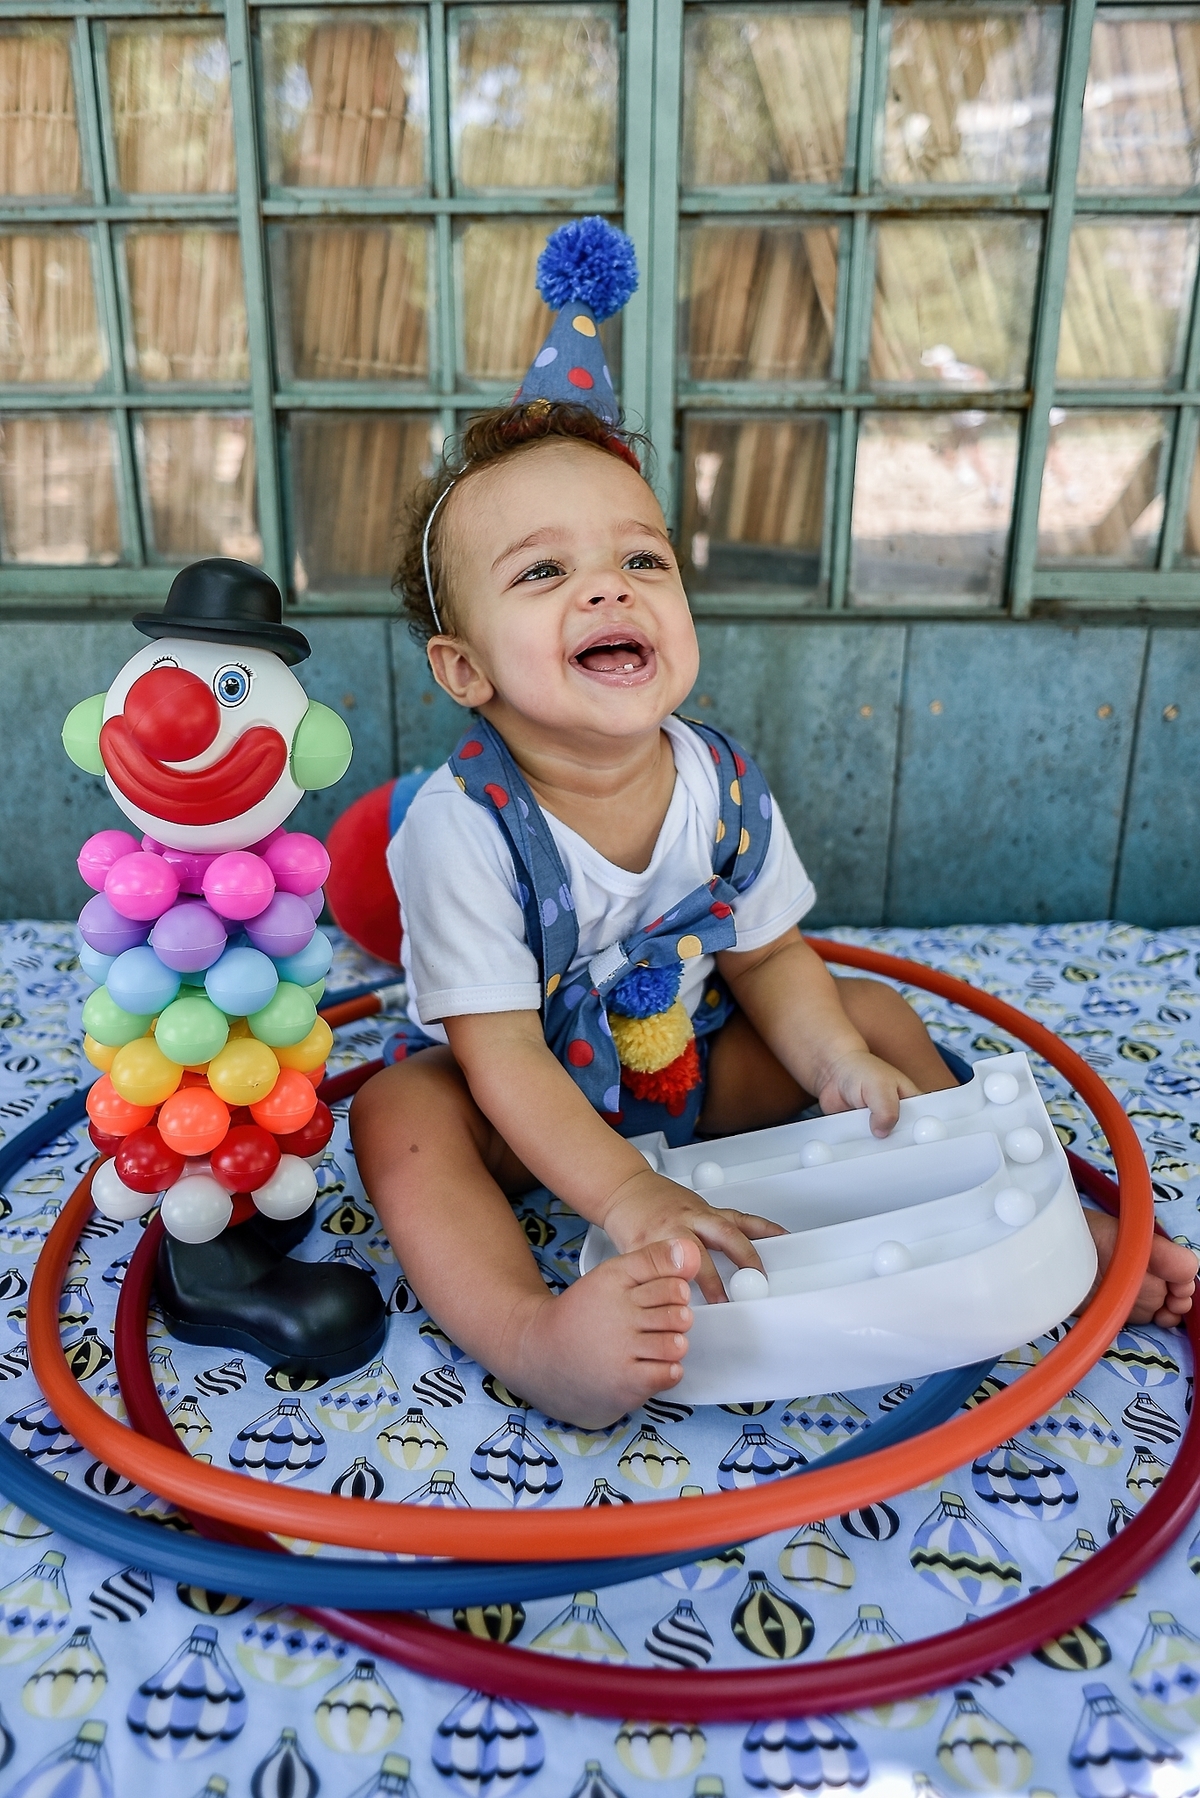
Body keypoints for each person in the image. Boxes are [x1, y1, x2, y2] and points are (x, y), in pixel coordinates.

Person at [351, 222, 1196, 1428]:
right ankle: (534, 1334)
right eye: (542, 573)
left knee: (868, 1013)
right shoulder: (462, 829)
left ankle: (1027, 1218)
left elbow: (766, 955)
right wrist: (630, 1199)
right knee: (401, 1115)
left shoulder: (719, 780)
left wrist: (831, 1063)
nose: (608, 585)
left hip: (693, 1065)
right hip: (531, 1108)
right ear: (463, 668)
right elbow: (505, 1059)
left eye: (643, 559)